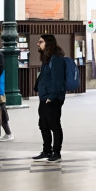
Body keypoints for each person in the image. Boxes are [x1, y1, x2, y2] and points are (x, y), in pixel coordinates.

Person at [34, 34, 68, 162]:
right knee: (43, 124)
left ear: (48, 43)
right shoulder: (47, 59)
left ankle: (56, 151)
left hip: (52, 98)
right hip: (44, 97)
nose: (38, 44)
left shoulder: (56, 58)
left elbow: (58, 80)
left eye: (41, 42)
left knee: (54, 125)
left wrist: (52, 96)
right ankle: (46, 150)